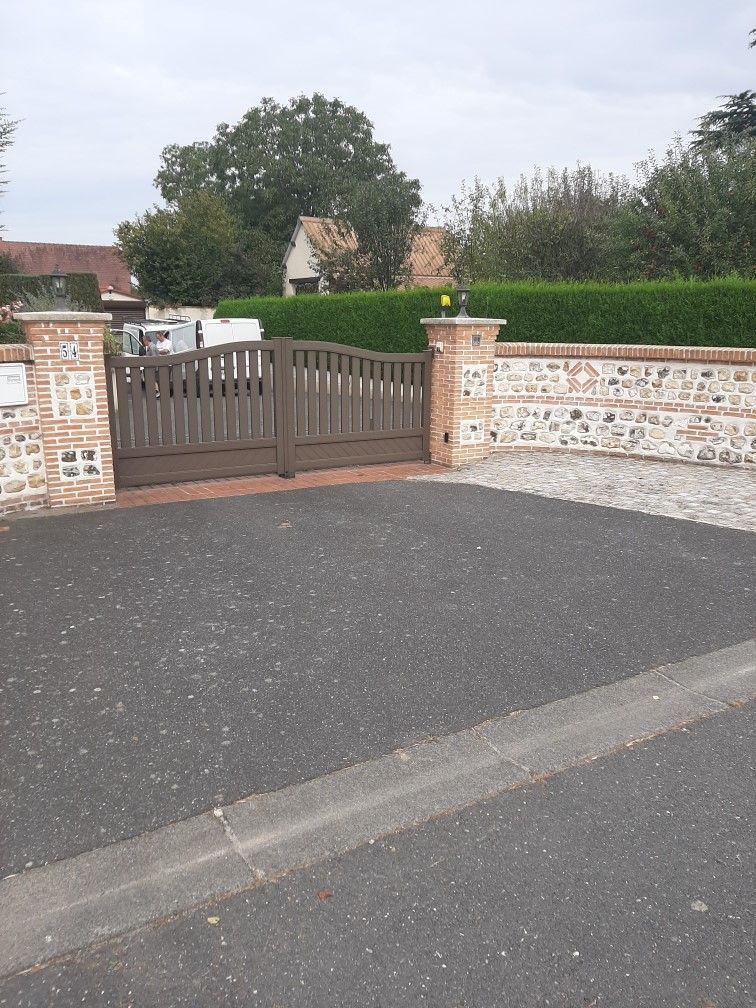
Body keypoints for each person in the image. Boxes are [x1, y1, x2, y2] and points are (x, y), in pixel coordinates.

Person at [153, 330, 172, 397]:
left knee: (166, 379)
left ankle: (167, 393)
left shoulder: (168, 342)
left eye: (158, 337)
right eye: (157, 338)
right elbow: (155, 351)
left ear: (162, 336)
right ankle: (161, 393)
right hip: (159, 363)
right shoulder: (158, 342)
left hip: (167, 364)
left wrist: (158, 352)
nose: (157, 339)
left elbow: (166, 351)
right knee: (159, 379)